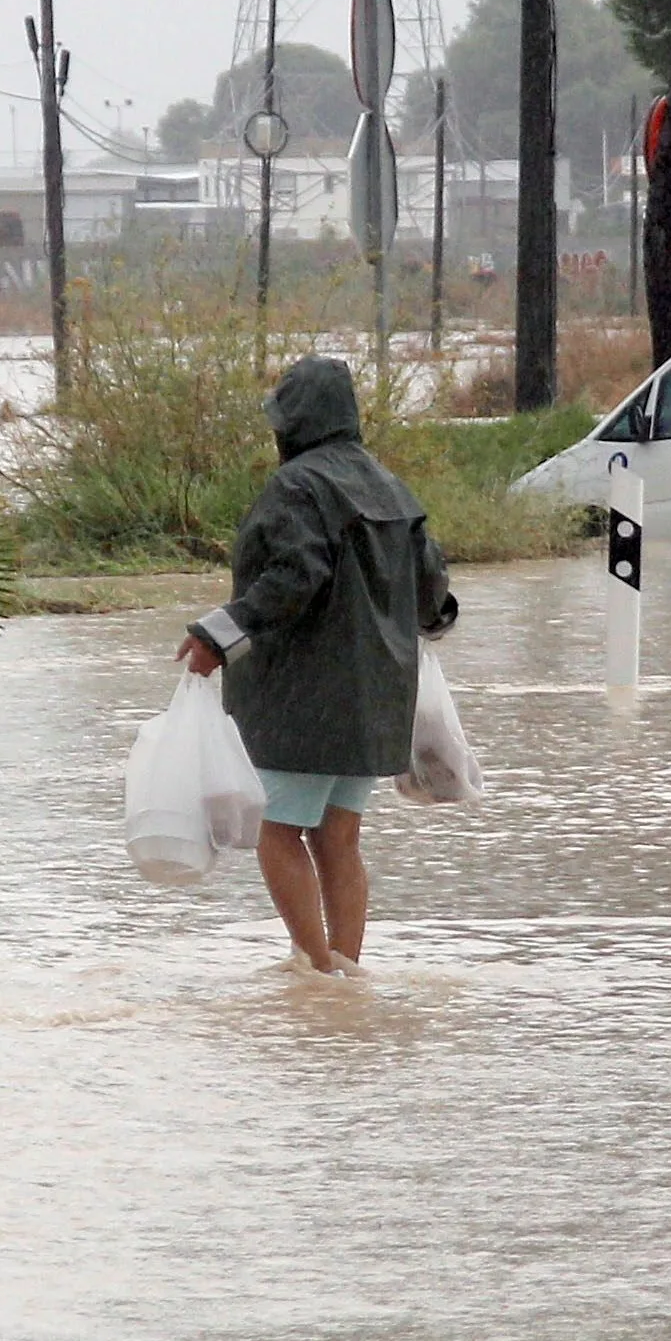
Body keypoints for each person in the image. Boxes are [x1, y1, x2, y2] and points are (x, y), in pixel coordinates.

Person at [179, 356, 456, 976]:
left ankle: (316, 974)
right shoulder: (391, 487)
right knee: (339, 839)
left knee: (278, 831)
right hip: (377, 701)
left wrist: (215, 636)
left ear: (294, 423)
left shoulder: (296, 489)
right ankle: (346, 974)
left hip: (303, 700)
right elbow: (434, 593)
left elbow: (293, 578)